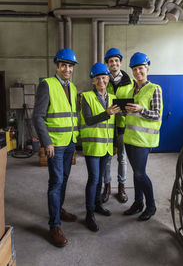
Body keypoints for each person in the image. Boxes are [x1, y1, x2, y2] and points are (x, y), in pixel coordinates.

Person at [32, 48, 79, 247]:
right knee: (56, 182)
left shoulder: (73, 88)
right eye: (63, 65)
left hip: (69, 142)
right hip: (55, 145)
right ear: (57, 66)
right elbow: (37, 116)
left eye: (70, 66)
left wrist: (74, 140)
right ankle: (54, 225)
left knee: (65, 179)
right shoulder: (47, 85)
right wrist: (47, 142)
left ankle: (58, 209)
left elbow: (71, 116)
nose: (67, 69)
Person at [80, 62, 120, 232]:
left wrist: (116, 143)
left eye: (104, 78)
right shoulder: (86, 97)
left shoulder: (112, 97)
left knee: (102, 179)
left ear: (108, 79)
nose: (102, 81)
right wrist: (107, 113)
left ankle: (97, 205)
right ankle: (89, 214)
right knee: (93, 179)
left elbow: (115, 122)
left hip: (107, 146)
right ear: (93, 81)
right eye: (98, 78)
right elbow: (89, 120)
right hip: (93, 146)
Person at [123, 52, 163, 221]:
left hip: (143, 140)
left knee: (140, 174)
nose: (138, 72)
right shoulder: (133, 89)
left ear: (147, 68)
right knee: (135, 173)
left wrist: (141, 109)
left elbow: (157, 115)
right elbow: (132, 115)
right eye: (135, 69)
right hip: (130, 138)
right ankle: (138, 202)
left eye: (141, 68)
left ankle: (151, 205)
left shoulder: (154, 88)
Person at [101, 48, 133, 203]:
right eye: (110, 61)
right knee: (107, 158)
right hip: (107, 126)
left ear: (120, 62)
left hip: (122, 126)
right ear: (107, 64)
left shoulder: (130, 82)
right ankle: (107, 187)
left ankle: (121, 187)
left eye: (116, 60)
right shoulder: (103, 80)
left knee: (122, 158)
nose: (113, 63)